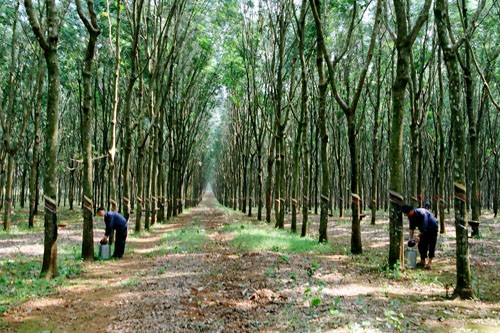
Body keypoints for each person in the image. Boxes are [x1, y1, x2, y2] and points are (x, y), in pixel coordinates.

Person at [402, 204, 439, 269]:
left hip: (432, 227)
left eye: (408, 213)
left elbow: (424, 228)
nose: (407, 215)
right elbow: (411, 228)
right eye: (406, 214)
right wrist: (411, 239)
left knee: (431, 244)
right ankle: (422, 261)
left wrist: (418, 237)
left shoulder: (422, 214)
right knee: (421, 244)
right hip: (423, 230)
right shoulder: (411, 217)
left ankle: (429, 263)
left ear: (411, 210)